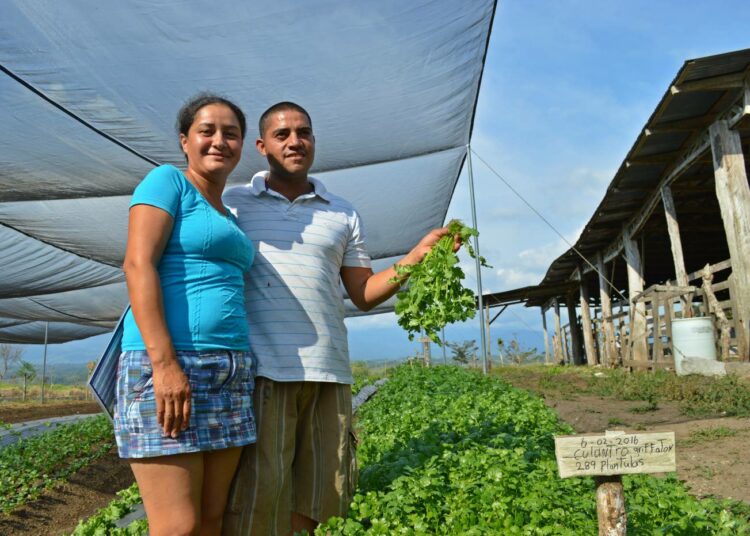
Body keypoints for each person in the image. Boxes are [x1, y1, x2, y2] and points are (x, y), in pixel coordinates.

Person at [222, 101, 460, 535]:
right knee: (259, 491)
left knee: (321, 494)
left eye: (304, 132)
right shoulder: (233, 204)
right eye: (283, 134)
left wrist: (418, 256)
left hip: (329, 370)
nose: (295, 141)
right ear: (261, 146)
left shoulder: (342, 212)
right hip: (263, 371)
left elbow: (364, 293)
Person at [115, 93, 256, 536]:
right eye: (207, 131)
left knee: (212, 520)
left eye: (230, 133)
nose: (219, 141)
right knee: (178, 525)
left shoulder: (228, 214)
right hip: (172, 364)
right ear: (184, 141)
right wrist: (165, 365)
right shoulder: (167, 183)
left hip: (229, 370)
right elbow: (138, 264)